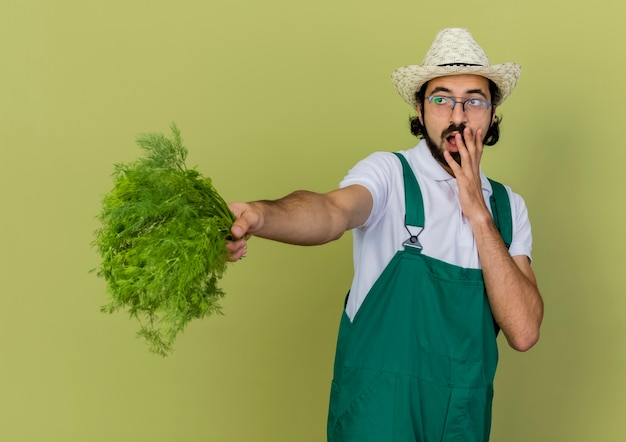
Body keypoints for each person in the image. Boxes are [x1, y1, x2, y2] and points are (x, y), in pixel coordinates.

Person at [226, 28, 543, 442]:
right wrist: (262, 216)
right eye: (442, 98)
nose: (458, 115)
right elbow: (332, 211)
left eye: (474, 101)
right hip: (380, 417)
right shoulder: (390, 175)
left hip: (461, 421)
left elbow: (523, 331)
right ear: (420, 107)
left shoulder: (507, 207)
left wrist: (478, 213)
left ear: (493, 113)